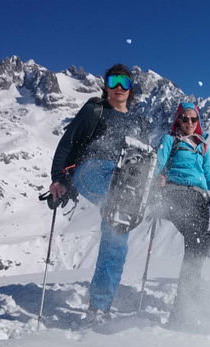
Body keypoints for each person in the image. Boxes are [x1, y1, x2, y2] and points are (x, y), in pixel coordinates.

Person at [49, 64, 149, 322]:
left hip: (124, 180)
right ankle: (118, 207)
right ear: (105, 86)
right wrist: (59, 178)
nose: (118, 87)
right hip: (91, 169)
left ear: (131, 89)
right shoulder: (95, 110)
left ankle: (100, 307)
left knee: (117, 237)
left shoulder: (138, 121)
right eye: (113, 81)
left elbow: (144, 158)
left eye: (124, 83)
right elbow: (68, 142)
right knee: (118, 208)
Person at [155, 102, 210, 323]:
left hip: (199, 201)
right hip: (175, 194)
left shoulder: (202, 146)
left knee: (194, 250)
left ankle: (184, 308)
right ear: (178, 120)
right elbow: (158, 164)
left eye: (194, 119)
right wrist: (156, 178)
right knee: (197, 240)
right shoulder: (170, 140)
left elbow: (208, 179)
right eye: (185, 119)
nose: (190, 123)